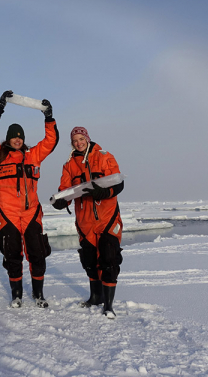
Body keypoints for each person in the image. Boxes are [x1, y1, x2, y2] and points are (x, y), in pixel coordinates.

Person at [0, 90, 59, 308]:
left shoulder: (33, 155)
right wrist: (0, 108)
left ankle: (38, 294)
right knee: (13, 256)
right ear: (8, 138)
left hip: (31, 213)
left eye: (20, 136)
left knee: (37, 255)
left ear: (23, 139)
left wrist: (49, 117)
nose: (17, 139)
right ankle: (16, 295)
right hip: (7, 215)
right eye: (14, 136)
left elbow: (51, 140)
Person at [52, 126, 124, 318]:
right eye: (75, 141)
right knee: (89, 261)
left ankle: (108, 305)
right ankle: (95, 296)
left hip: (107, 218)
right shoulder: (69, 165)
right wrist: (60, 202)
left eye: (81, 139)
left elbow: (118, 183)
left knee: (109, 260)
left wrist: (104, 192)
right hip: (85, 222)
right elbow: (66, 191)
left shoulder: (104, 156)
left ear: (87, 138)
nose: (78, 143)